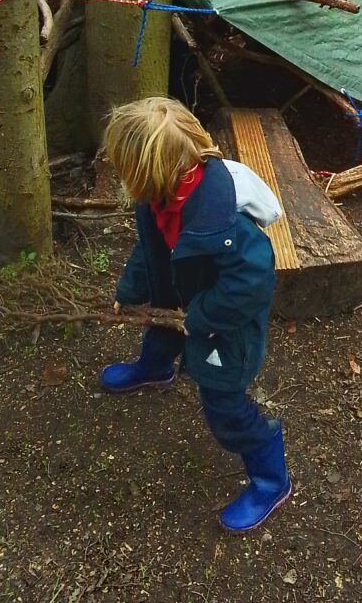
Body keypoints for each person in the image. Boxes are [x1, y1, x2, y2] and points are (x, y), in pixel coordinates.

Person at [99, 97, 290, 533]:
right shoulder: (156, 199)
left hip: (224, 329)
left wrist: (200, 317)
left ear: (150, 170)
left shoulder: (227, 224)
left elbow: (254, 279)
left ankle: (269, 478)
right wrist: (129, 295)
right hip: (179, 305)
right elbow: (148, 252)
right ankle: (154, 368)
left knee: (224, 404)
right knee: (159, 336)